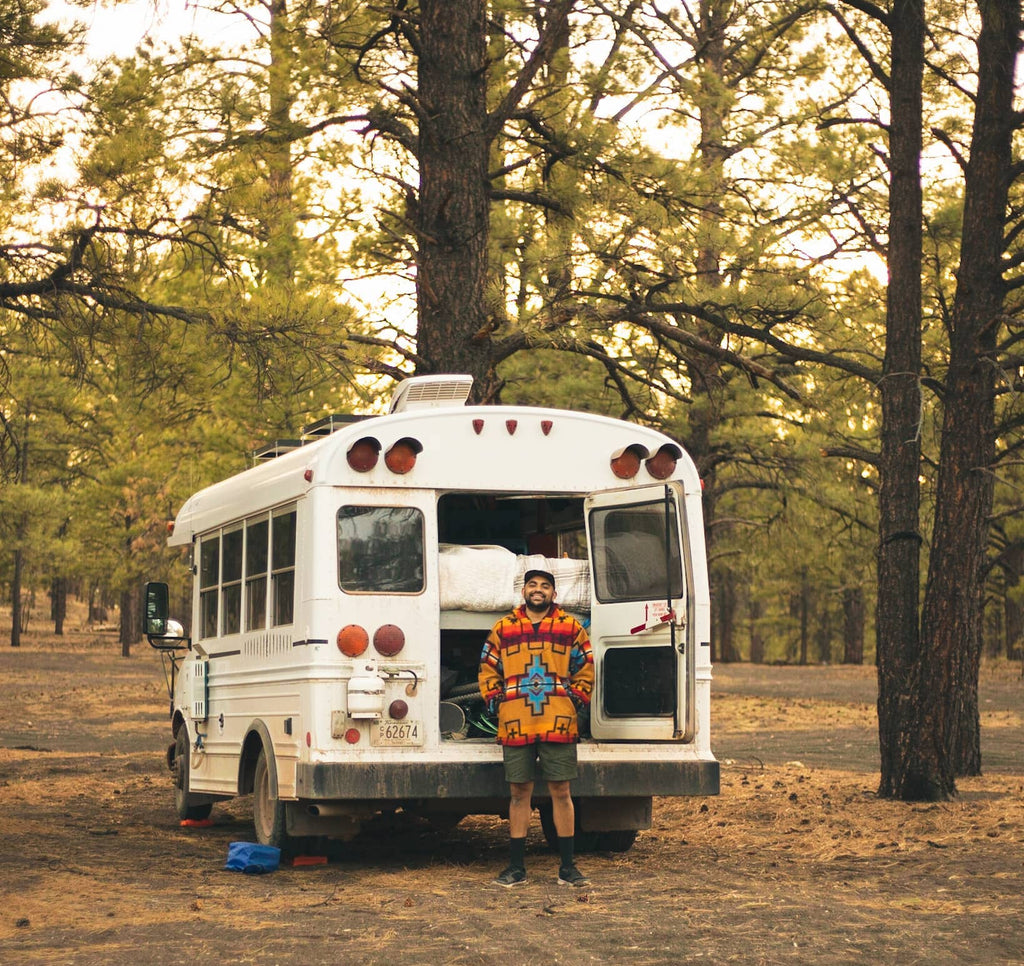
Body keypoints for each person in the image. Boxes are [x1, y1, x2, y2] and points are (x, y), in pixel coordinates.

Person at [478, 568, 594, 888]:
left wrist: (575, 699)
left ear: (554, 594)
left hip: (558, 718)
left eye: (545, 586)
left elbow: (585, 663)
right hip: (516, 719)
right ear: (524, 591)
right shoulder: (504, 628)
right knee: (519, 793)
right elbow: (488, 665)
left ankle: (568, 867)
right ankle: (516, 867)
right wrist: (496, 700)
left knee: (562, 791)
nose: (538, 590)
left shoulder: (570, 627)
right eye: (533, 585)